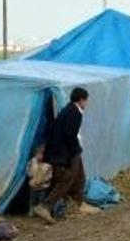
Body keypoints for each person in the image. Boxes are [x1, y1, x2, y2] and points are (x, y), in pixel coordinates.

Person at [33, 87, 99, 223]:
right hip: (63, 153)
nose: (86, 104)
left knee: (80, 176)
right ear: (81, 100)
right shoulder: (74, 113)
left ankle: (81, 204)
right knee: (67, 178)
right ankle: (45, 206)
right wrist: (74, 152)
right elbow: (70, 135)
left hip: (65, 151)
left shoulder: (70, 110)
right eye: (86, 101)